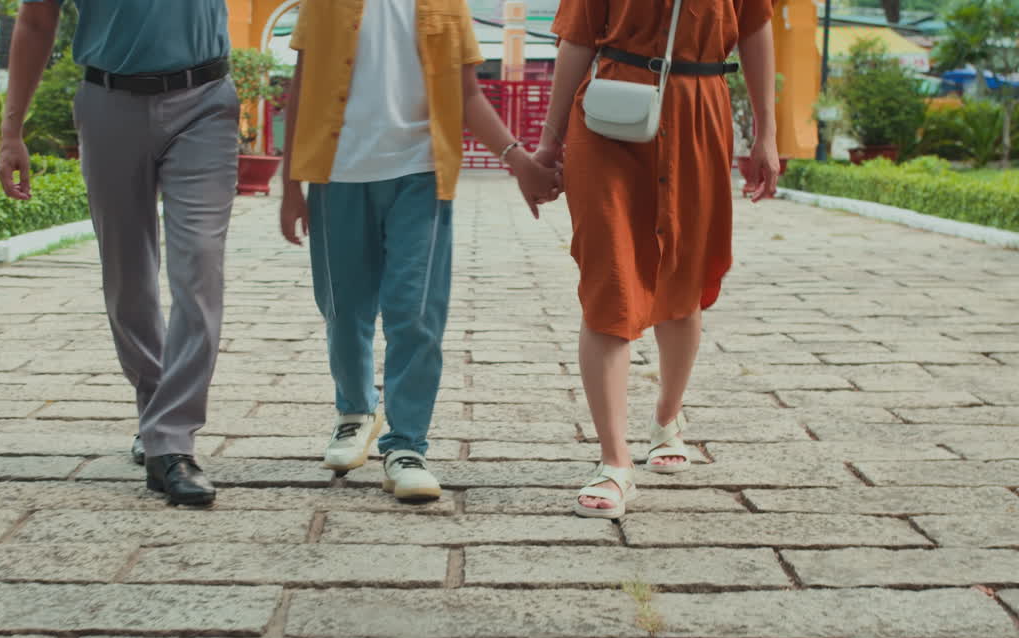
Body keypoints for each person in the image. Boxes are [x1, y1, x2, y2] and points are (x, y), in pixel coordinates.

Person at [280, 0, 560, 501]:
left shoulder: (445, 4)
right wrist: (289, 186)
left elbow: (467, 93)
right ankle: (354, 412)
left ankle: (406, 444)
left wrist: (517, 160)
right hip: (337, 175)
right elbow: (300, 88)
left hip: (420, 176)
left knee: (416, 312)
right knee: (343, 309)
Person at [533, 0, 780, 518]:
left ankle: (667, 416)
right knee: (611, 278)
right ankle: (613, 461)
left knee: (684, 275)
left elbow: (756, 30)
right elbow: (576, 38)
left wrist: (767, 133)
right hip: (609, 116)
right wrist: (550, 141)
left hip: (699, 113)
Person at [0, 0, 239, 506]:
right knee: (128, 276)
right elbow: (37, 21)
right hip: (109, 104)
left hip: (205, 102)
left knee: (199, 264)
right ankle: (156, 419)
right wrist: (10, 132)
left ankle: (172, 441)